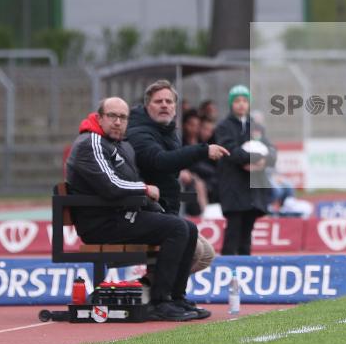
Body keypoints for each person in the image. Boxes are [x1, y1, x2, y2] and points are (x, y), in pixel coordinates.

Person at [65, 97, 208, 321]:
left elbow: (128, 184)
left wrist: (153, 204)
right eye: (112, 116)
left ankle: (176, 299)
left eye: (122, 117)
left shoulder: (121, 146)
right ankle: (160, 302)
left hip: (122, 216)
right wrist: (143, 188)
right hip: (102, 223)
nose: (117, 122)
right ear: (100, 117)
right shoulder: (90, 142)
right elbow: (111, 185)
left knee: (187, 227)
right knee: (178, 229)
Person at [126, 80, 227, 275]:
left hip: (166, 210)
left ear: (175, 107)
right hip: (145, 213)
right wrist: (202, 150)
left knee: (206, 254)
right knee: (193, 248)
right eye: (158, 101)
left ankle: (156, 289)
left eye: (169, 101)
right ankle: (162, 296)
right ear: (147, 106)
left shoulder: (169, 130)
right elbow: (161, 161)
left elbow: (172, 165)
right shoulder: (139, 132)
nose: (164, 105)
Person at [215, 85, 276, 254]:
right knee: (233, 230)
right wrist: (253, 159)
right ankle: (227, 268)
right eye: (237, 101)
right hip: (233, 186)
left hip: (253, 189)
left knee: (247, 233)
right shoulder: (224, 127)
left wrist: (262, 161)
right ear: (231, 104)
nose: (241, 104)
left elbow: (271, 150)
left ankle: (245, 268)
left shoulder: (256, 127)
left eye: (244, 100)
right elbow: (231, 151)